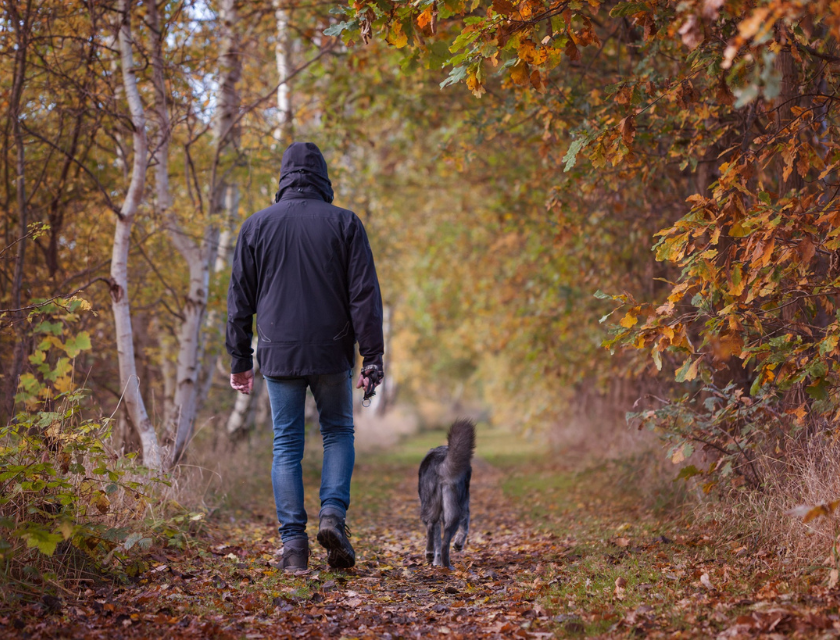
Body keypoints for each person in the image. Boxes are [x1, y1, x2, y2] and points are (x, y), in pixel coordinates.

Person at [226, 142, 384, 572]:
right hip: (332, 350)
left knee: (286, 445)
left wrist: (240, 358)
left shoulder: (256, 226)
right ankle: (332, 515)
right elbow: (364, 296)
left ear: (283, 177)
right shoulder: (345, 223)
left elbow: (239, 299)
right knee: (337, 433)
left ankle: (294, 546)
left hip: (278, 353)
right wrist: (372, 356)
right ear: (323, 177)